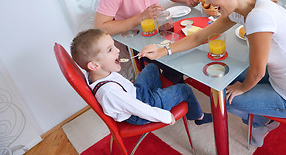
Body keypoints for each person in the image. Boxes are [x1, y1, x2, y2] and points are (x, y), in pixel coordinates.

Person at [139, 0, 286, 146]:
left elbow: (258, 72)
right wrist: (163, 50)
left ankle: (263, 123)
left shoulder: (259, 17)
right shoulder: (250, 3)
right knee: (231, 78)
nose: (206, 1)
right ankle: (262, 118)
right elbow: (201, 36)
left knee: (223, 101)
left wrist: (242, 88)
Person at [70, 28, 212, 126]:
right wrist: (165, 116)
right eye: (110, 50)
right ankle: (199, 117)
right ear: (94, 65)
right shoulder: (110, 92)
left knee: (151, 67)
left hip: (135, 93)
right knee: (183, 89)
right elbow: (139, 109)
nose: (118, 50)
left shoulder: (97, 73)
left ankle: (161, 96)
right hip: (140, 109)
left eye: (113, 46)